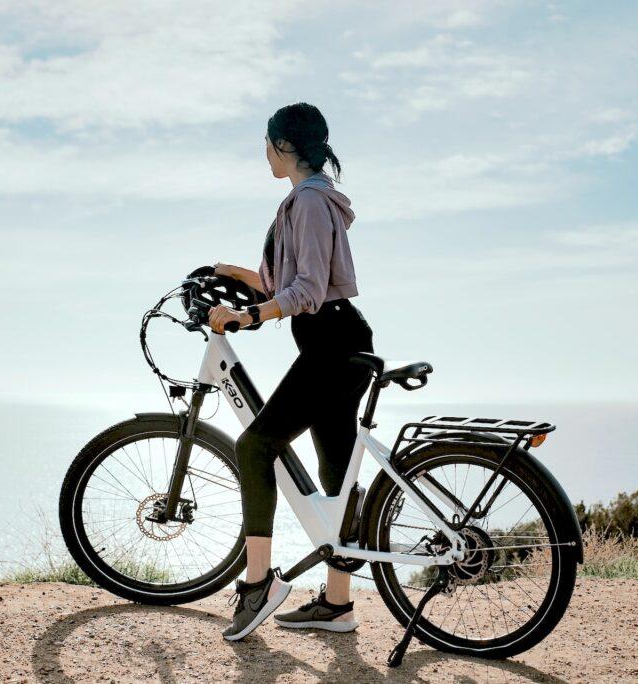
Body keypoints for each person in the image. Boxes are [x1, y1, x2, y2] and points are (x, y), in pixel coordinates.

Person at [208, 102, 375, 642]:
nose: (263, 153)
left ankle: (258, 584)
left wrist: (248, 315)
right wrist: (229, 275)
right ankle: (337, 605)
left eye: (266, 143)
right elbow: (287, 280)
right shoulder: (308, 200)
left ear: (283, 146)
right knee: (336, 473)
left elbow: (303, 291)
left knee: (254, 447)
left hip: (330, 346)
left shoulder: (306, 202)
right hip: (339, 340)